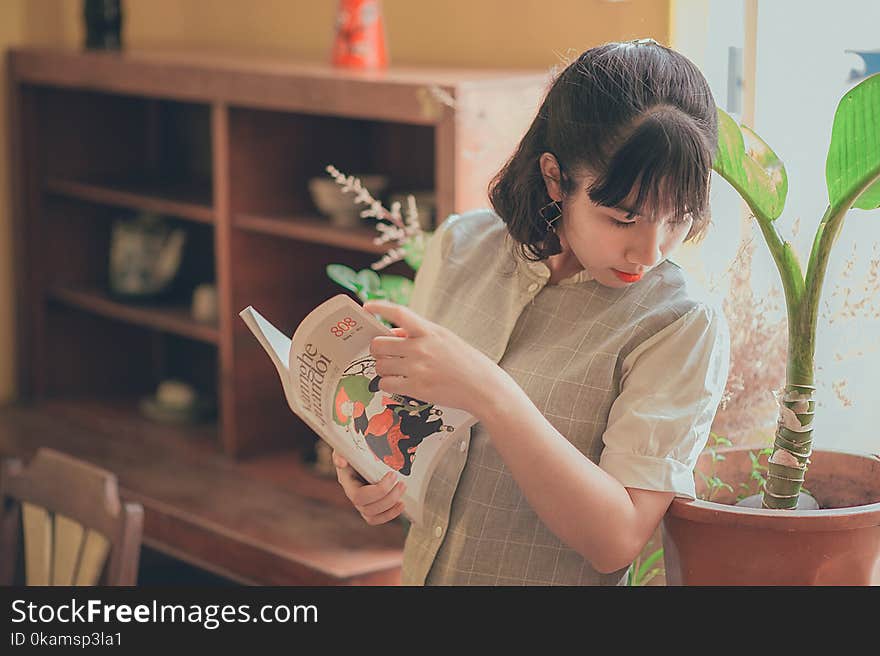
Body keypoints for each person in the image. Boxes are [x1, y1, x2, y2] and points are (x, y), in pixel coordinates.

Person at [332, 39, 730, 585]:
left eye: (678, 218)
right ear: (554, 176)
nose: (652, 250)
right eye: (622, 217)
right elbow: (407, 429)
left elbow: (616, 540)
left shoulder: (678, 324)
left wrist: (491, 394)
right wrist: (362, 464)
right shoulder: (461, 248)